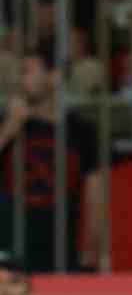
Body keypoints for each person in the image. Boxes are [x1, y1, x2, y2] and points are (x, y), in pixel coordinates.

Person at [0, 45, 106, 274]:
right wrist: (9, 128)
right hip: (9, 250)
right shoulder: (6, 122)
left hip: (60, 250)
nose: (20, 79)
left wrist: (92, 245)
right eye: (19, 72)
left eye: (27, 71)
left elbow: (96, 195)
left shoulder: (81, 130)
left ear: (55, 77)